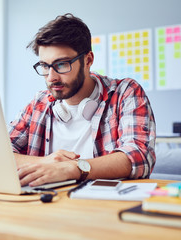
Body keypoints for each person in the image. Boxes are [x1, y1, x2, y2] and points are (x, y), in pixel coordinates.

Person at [8, 13, 156, 187]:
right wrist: (46, 163)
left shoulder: (125, 93)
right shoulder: (39, 103)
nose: (51, 77)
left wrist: (73, 169)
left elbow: (139, 155)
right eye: (44, 66)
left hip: (102, 205)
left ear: (88, 60)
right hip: (44, 203)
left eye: (61, 64)